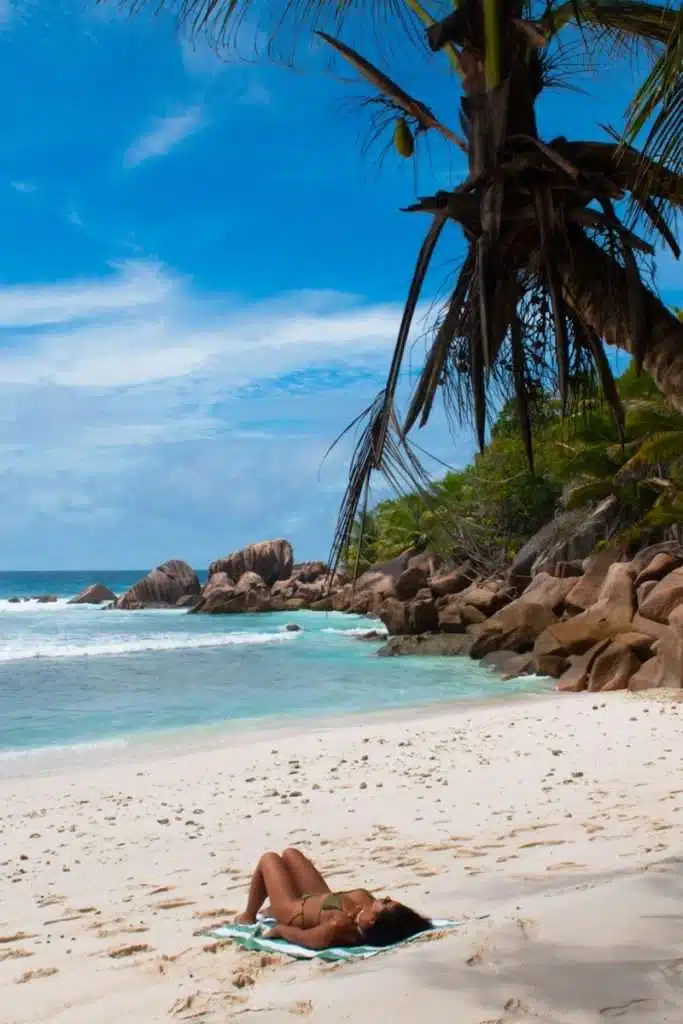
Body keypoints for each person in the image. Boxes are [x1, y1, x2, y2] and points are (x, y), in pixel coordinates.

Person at [235, 847, 431, 950]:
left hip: (293, 910)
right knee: (290, 854)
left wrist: (280, 929)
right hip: (320, 897)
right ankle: (271, 907)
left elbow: (307, 939)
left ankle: (248, 915)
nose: (386, 897)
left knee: (269, 859)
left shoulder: (340, 926)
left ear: (371, 920)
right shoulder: (367, 905)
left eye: (386, 903)